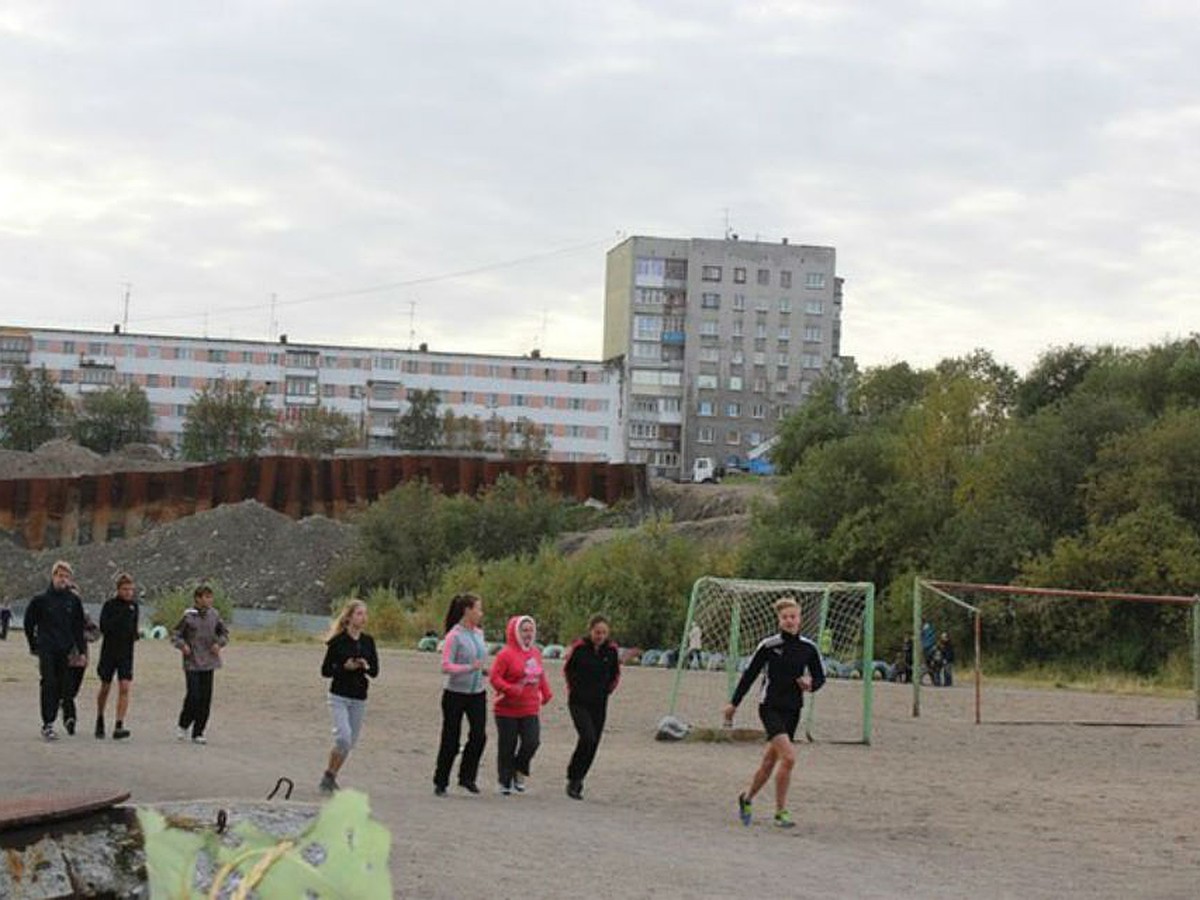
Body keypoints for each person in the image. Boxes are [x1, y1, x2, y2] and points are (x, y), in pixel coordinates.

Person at [723, 596, 826, 829]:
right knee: (789, 758)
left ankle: (747, 798)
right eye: (785, 617)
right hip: (769, 707)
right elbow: (749, 675)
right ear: (779, 620)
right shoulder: (769, 646)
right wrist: (734, 703)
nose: (790, 621)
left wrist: (811, 684)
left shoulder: (808, 648)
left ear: (800, 619)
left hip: (793, 709)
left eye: (794, 616)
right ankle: (781, 812)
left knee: (770, 761)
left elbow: (820, 677)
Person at [318, 599, 379, 794]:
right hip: (339, 695)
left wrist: (365, 666)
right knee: (343, 737)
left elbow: (376, 671)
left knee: (349, 743)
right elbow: (326, 670)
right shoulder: (338, 642)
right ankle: (329, 776)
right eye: (359, 614)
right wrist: (343, 666)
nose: (363, 618)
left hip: (359, 696)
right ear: (349, 617)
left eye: (365, 614)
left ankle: (330, 775)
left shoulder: (368, 642)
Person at [24, 561, 86, 741]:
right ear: (53, 576)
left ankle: (65, 715)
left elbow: (78, 628)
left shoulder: (73, 601)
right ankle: (48, 723)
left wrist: (81, 651)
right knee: (49, 682)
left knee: (64, 685)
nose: (63, 579)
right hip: (47, 648)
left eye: (66, 576)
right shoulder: (40, 600)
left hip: (65, 649)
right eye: (60, 575)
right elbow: (29, 623)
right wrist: (33, 644)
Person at [490, 615, 552, 795]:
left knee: (532, 742)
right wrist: (510, 689)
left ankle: (519, 769)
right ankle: (504, 781)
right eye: (524, 630)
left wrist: (546, 692)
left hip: (530, 707)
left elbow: (540, 675)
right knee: (507, 746)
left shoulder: (536, 653)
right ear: (515, 632)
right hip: (506, 709)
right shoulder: (505, 654)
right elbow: (495, 679)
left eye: (531, 630)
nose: (528, 634)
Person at [433, 593, 488, 797]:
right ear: (467, 611)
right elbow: (445, 666)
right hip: (455, 693)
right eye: (478, 609)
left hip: (477, 692)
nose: (481, 613)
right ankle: (441, 780)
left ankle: (467, 776)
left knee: (479, 736)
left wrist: (482, 671)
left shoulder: (479, 634)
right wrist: (469, 668)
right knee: (451, 739)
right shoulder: (454, 636)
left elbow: (478, 661)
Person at [563, 614, 620, 800]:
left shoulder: (611, 650)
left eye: (604, 633)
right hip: (578, 702)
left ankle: (578, 780)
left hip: (600, 703)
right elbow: (568, 670)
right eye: (597, 632)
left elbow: (615, 674)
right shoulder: (579, 648)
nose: (600, 636)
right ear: (591, 631)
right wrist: (575, 689)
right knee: (587, 736)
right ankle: (573, 774)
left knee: (594, 742)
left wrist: (607, 691)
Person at [171, 584, 229, 745]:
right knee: (194, 695)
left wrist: (219, 644)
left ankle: (199, 731)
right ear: (197, 598)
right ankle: (184, 724)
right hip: (192, 661)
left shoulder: (215, 615)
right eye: (205, 597)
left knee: (205, 698)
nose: (209, 600)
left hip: (209, 661)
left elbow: (224, 633)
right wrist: (183, 645)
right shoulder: (189, 616)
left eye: (210, 597)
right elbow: (176, 634)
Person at [95, 573, 140, 739]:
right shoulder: (110, 606)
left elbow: (133, 628)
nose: (128, 593)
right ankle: (100, 717)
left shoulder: (134, 607)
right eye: (125, 589)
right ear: (118, 590)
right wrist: (120, 618)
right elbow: (104, 627)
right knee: (105, 687)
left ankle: (119, 724)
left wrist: (135, 634)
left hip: (126, 653)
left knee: (125, 687)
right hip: (109, 652)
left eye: (131, 589)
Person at [63, 608, 100, 735]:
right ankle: (70, 717)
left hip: (80, 659)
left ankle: (64, 705)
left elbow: (96, 633)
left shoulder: (84, 615)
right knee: (66, 690)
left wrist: (82, 635)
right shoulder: (57, 611)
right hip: (62, 658)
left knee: (73, 690)